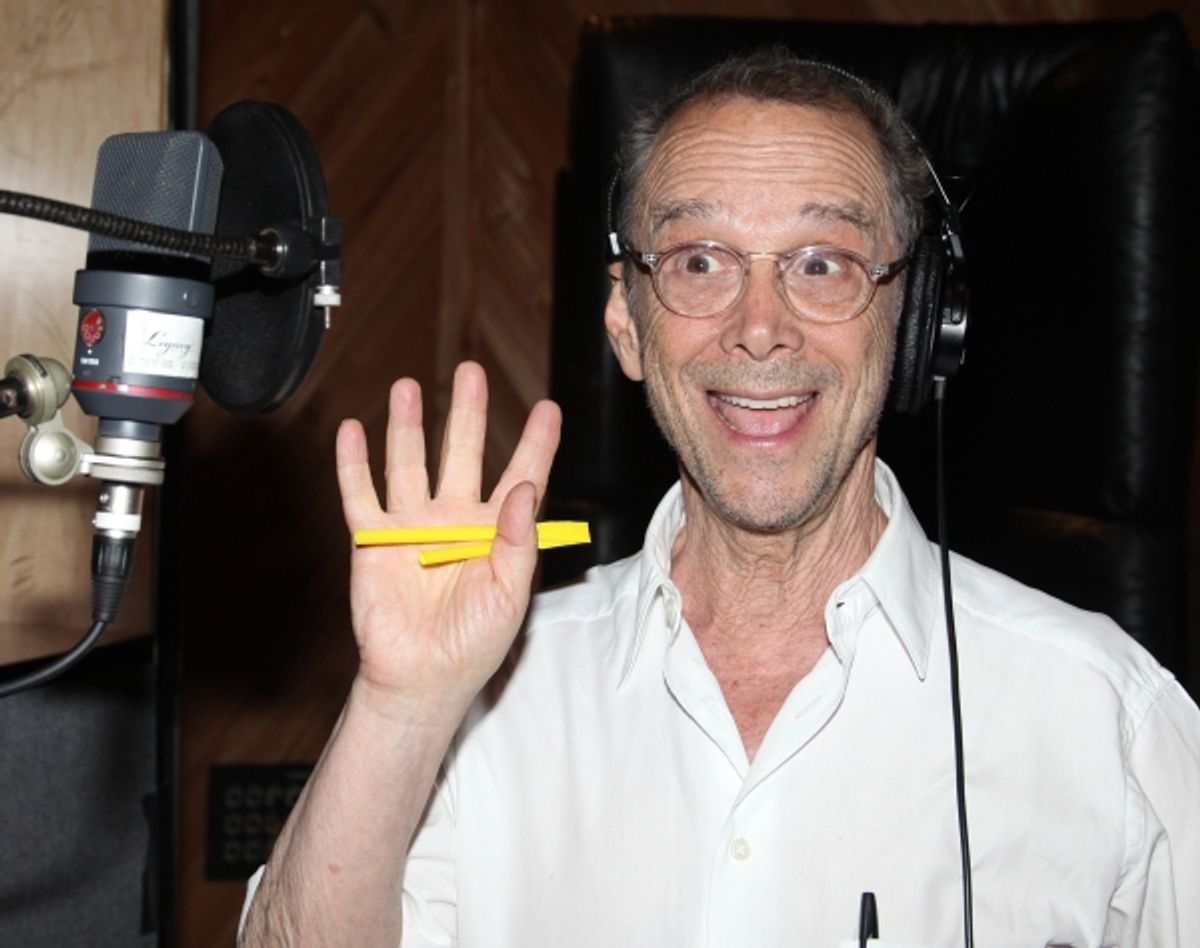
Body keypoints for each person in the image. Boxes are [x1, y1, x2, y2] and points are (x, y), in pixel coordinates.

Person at [239, 49, 1200, 946]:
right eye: (700, 261)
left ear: (912, 320)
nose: (760, 328)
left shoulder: (1104, 718)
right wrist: (401, 706)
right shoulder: (481, 695)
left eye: (821, 262)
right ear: (626, 322)